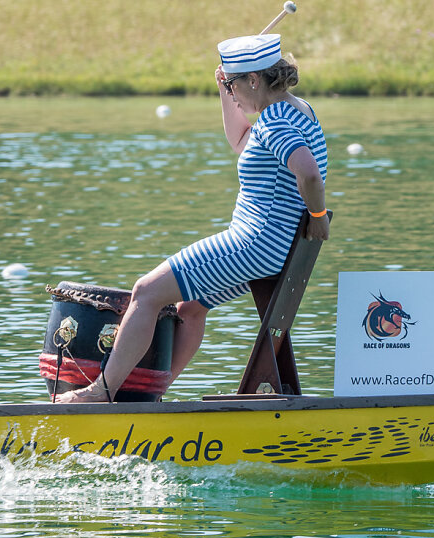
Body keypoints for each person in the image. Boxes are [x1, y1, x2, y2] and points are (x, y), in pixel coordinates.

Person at [56, 34, 329, 403]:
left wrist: (317, 215)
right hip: (272, 247)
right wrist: (222, 89)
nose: (231, 93)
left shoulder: (276, 122)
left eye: (233, 84)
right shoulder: (295, 111)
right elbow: (240, 141)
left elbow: (308, 173)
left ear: (253, 79)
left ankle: (101, 392)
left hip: (255, 243)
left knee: (147, 292)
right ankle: (154, 395)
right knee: (190, 308)